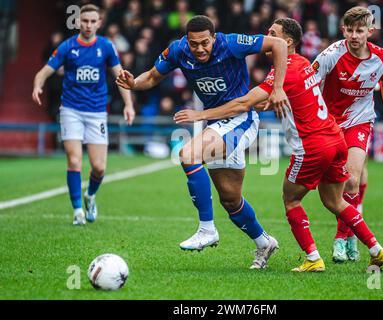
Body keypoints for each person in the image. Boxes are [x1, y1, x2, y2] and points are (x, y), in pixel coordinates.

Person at [174, 18, 383, 272]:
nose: (268, 36)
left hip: (312, 147)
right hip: (335, 140)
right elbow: (290, 93)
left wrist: (199, 115)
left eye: (273, 33)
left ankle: (313, 259)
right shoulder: (301, 64)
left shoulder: (284, 70)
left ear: (287, 42)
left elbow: (242, 104)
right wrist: (269, 98)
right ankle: (377, 250)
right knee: (335, 202)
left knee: (291, 200)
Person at [116, 15, 290, 269]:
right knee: (230, 200)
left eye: (205, 43)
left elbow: (280, 45)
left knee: (189, 154)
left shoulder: (231, 43)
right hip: (217, 126)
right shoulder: (178, 50)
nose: (200, 49)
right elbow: (152, 77)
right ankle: (264, 242)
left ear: (214, 38)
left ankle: (207, 229)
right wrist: (133, 83)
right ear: (187, 40)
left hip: (240, 119)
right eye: (194, 44)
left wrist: (278, 88)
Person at [32, 4, 135, 225]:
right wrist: (37, 86)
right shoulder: (67, 47)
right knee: (75, 160)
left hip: (97, 112)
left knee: (99, 167)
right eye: (84, 21)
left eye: (92, 21)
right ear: (78, 22)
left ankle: (90, 196)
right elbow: (44, 71)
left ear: (99, 23)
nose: (88, 25)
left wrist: (129, 104)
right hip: (71, 110)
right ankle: (78, 210)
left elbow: (120, 77)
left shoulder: (106, 47)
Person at [312, 6, 383, 262]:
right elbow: (309, 84)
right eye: (349, 30)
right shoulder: (330, 55)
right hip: (329, 124)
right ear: (343, 30)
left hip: (360, 121)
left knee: (351, 179)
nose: (354, 35)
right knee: (338, 185)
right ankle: (350, 236)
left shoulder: (381, 57)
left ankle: (341, 238)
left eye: (360, 30)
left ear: (370, 31)